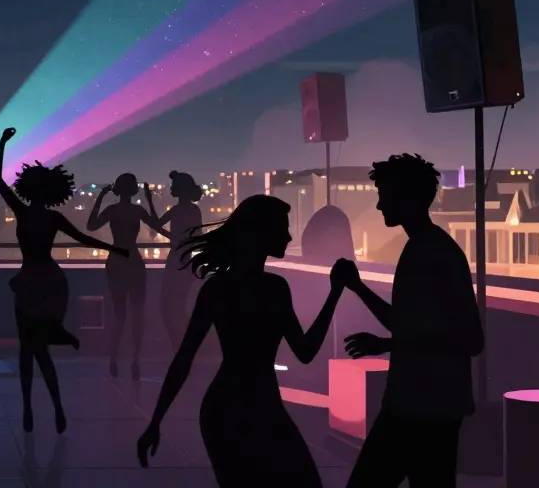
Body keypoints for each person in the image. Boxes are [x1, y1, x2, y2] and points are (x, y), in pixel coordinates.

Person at [136, 194, 350, 487]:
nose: (288, 236)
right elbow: (306, 351)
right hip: (248, 408)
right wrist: (335, 292)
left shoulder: (220, 289)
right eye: (282, 228)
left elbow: (184, 358)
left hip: (232, 407)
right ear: (261, 233)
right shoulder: (274, 288)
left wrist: (156, 422)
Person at [337, 154, 484, 487]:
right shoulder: (428, 249)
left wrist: (387, 344)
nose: (378, 206)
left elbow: (471, 339)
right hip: (428, 405)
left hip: (421, 407)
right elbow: (406, 325)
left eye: (384, 195)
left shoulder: (431, 253)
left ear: (407, 198)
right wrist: (358, 288)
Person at [0, 127, 127, 433]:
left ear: (28, 189)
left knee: (28, 350)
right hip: (50, 280)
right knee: (39, 349)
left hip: (28, 281)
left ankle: (30, 408)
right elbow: (83, 239)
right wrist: (115, 248)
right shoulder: (53, 218)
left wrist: (2, 143)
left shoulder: (22, 212)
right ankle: (56, 406)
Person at [87, 173, 155, 379]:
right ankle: (135, 360)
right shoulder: (137, 210)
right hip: (134, 260)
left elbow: (91, 226)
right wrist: (150, 200)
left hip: (116, 260)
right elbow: (154, 229)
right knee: (137, 314)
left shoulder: (112, 210)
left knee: (119, 314)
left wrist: (100, 198)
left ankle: (114, 359)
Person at [145, 171, 204, 351]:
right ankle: (185, 345)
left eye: (173, 186)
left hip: (177, 259)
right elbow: (197, 236)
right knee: (178, 306)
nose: (171, 188)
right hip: (185, 258)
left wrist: (149, 202)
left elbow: (155, 227)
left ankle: (180, 345)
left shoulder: (178, 210)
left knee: (171, 306)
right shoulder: (193, 210)